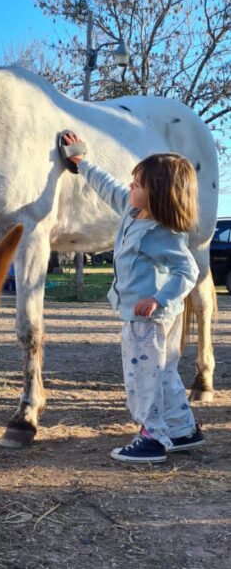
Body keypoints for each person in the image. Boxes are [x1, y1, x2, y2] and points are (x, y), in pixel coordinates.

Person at [61, 131, 204, 464]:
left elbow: (187, 272)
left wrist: (158, 299)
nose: (130, 187)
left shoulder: (163, 233)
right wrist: (81, 162)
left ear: (158, 194)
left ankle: (152, 438)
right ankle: (183, 430)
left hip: (148, 319)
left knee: (143, 378)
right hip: (153, 316)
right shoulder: (132, 210)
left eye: (138, 184)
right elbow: (108, 185)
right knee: (163, 372)